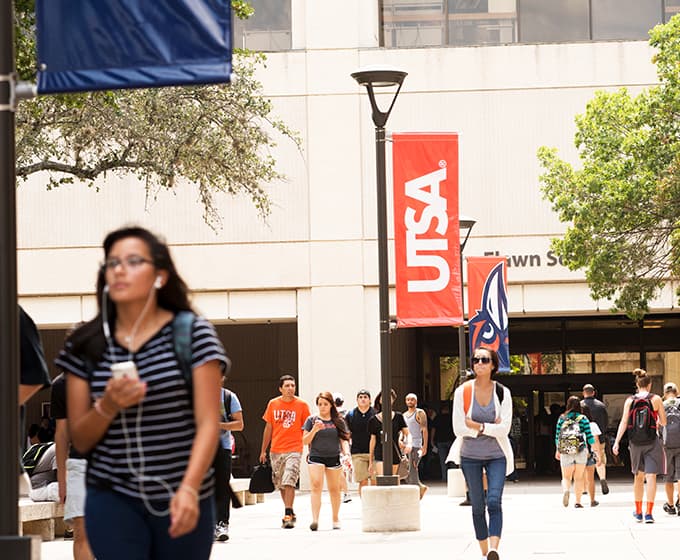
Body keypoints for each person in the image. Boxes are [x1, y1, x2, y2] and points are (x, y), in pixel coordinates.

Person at [56, 226, 228, 560]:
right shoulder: (84, 345)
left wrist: (191, 488)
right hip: (112, 496)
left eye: (134, 261)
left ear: (160, 275)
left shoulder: (193, 333)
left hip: (182, 492)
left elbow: (209, 422)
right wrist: (107, 405)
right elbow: (82, 437)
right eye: (113, 262)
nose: (119, 269)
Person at [451, 348, 512, 560]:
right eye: (476, 360)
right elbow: (458, 428)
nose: (479, 363)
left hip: (497, 455)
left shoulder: (503, 392)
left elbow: (504, 428)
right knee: (477, 504)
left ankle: (494, 548)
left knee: (494, 501)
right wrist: (488, 427)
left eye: (484, 360)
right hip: (470, 456)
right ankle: (485, 550)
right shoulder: (463, 392)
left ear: (493, 365)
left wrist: (477, 426)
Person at [613, 368, 667, 523]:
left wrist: (616, 442)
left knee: (638, 476)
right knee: (651, 477)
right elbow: (663, 422)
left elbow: (624, 422)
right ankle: (649, 513)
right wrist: (656, 422)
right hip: (652, 442)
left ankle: (638, 511)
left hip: (635, 443)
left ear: (637, 384)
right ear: (649, 385)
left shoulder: (630, 400)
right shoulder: (656, 399)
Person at [50, 372, 94, 559]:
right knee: (82, 533)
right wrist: (62, 479)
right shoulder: (61, 384)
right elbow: (61, 434)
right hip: (79, 464)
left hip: (116, 462)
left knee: (115, 532)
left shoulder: (113, 370)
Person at [259, 374, 311, 529]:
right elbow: (268, 428)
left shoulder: (302, 405)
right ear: (280, 388)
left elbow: (307, 428)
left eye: (292, 385)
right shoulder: (273, 404)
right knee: (281, 484)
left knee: (289, 480)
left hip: (294, 448)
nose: (290, 388)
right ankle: (290, 510)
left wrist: (310, 448)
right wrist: (263, 450)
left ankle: (287, 513)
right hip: (276, 449)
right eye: (287, 386)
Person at [302, 391, 351, 530]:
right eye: (320, 404)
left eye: (325, 404)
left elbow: (344, 440)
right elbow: (305, 441)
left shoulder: (338, 421)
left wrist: (346, 454)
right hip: (316, 456)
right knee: (316, 485)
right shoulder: (311, 420)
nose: (322, 407)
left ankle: (335, 518)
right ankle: (315, 519)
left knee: (334, 489)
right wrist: (314, 430)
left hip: (333, 457)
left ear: (331, 405)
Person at [214, 379, 244, 542]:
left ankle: (222, 523)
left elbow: (240, 425)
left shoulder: (228, 397)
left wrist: (219, 425)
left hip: (222, 448)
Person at [555, 396, 594, 508]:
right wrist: (594, 450)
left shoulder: (562, 418)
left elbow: (557, 435)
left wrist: (558, 449)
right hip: (581, 450)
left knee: (566, 477)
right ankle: (578, 502)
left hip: (565, 450)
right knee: (579, 477)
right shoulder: (583, 418)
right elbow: (590, 436)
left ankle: (566, 490)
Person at [368, 389, 411, 479]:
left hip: (394, 452)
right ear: (380, 400)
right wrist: (371, 461)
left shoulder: (398, 416)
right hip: (380, 452)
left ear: (393, 400)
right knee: (382, 478)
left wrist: (409, 444)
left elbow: (407, 433)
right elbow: (373, 440)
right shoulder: (373, 420)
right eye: (383, 398)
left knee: (394, 480)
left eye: (389, 398)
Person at [344, 389, 376, 496]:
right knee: (363, 481)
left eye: (365, 397)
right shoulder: (351, 415)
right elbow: (346, 434)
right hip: (357, 453)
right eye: (360, 397)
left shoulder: (376, 414)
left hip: (375, 453)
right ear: (357, 400)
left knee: (375, 481)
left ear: (370, 400)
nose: (363, 399)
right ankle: (365, 505)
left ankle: (375, 505)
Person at [581, 383, 609, 495]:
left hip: (583, 440)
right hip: (598, 438)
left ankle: (584, 488)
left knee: (583, 464)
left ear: (583, 393)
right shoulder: (601, 406)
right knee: (600, 459)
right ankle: (602, 478)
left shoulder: (580, 406)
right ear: (593, 392)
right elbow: (606, 422)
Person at [403, 392, 428, 498]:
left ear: (416, 401)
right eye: (408, 399)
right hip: (406, 445)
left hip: (416, 445)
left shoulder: (419, 413)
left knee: (413, 468)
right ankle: (419, 487)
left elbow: (424, 429)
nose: (410, 401)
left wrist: (425, 446)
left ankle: (417, 490)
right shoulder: (404, 415)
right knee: (406, 470)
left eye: (412, 399)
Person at [660, 382, 680, 515]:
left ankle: (671, 505)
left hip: (666, 445)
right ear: (676, 392)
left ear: (665, 393)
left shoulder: (661, 405)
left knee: (668, 477)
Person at [580, 403, 603, 507]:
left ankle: (578, 500)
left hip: (577, 453)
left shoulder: (574, 424)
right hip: (588, 453)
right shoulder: (592, 425)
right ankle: (592, 500)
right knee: (590, 478)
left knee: (578, 477)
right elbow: (596, 441)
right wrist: (599, 455)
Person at [333, 392, 351, 503]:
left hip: (341, 444)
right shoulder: (346, 414)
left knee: (339, 470)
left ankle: (344, 492)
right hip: (342, 444)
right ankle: (342, 492)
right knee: (340, 470)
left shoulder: (338, 416)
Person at [431, 401, 454, 481]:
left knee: (443, 461)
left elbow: (433, 429)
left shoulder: (437, 417)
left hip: (440, 441)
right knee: (452, 460)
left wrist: (432, 440)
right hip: (451, 441)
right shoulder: (452, 417)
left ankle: (444, 478)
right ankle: (453, 478)